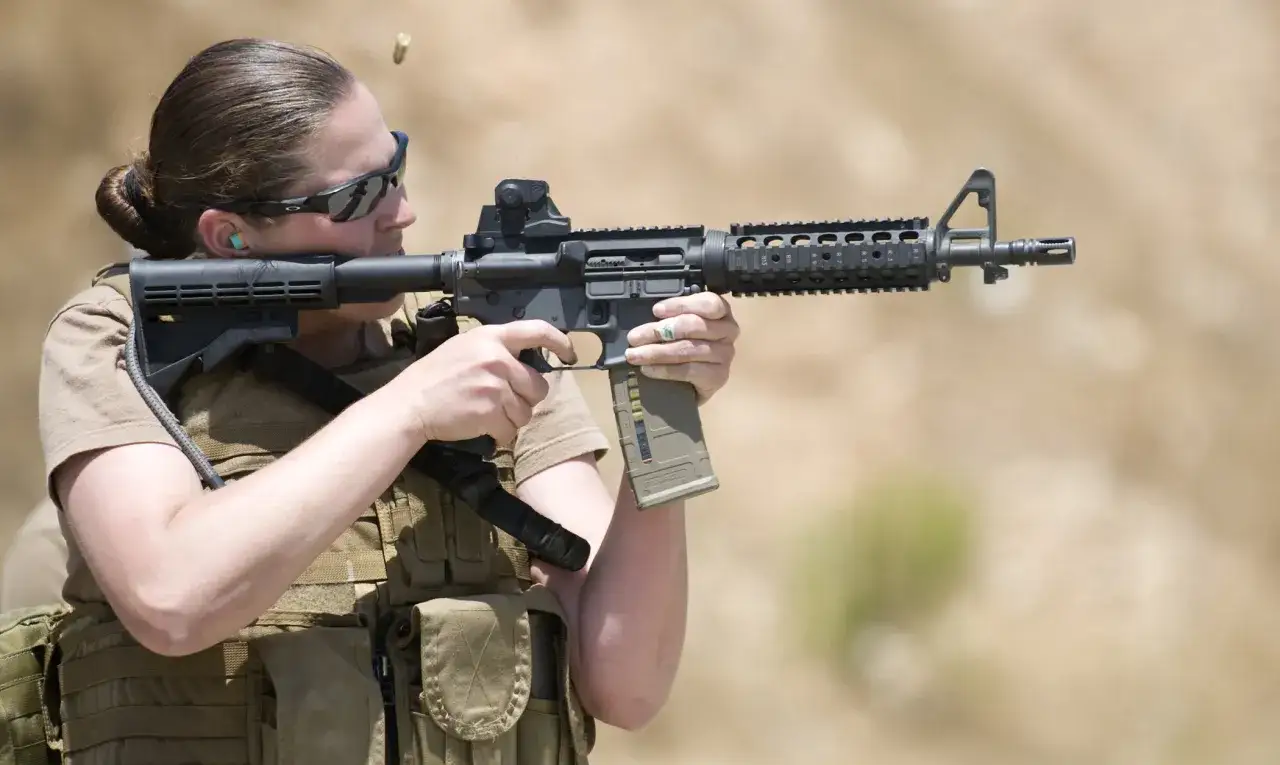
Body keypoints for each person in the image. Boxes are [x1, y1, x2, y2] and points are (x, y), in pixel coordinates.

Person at [29, 38, 741, 764]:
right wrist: (409, 412)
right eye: (357, 196)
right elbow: (170, 598)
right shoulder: (122, 338)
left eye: (394, 168)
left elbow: (624, 682)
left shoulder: (482, 345)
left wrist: (664, 402)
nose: (401, 211)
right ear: (231, 235)